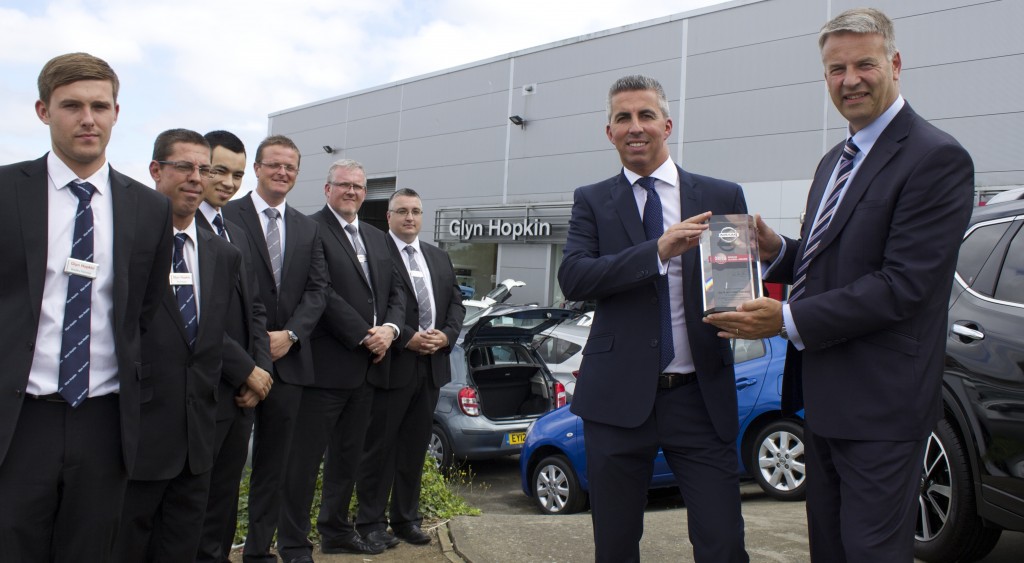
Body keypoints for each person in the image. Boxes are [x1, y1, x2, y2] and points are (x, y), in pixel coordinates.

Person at [705, 8, 974, 561]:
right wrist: (777, 252)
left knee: (871, 551)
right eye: (835, 69)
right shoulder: (835, 161)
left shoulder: (935, 158)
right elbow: (831, 267)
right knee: (830, 549)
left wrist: (784, 320)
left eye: (863, 64)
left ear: (895, 65)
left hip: (882, 407)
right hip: (822, 399)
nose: (849, 79)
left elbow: (903, 286)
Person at [558, 75, 748, 563]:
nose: (634, 127)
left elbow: (735, 292)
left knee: (723, 543)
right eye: (623, 118)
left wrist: (747, 308)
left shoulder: (721, 195)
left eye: (645, 116)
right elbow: (575, 278)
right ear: (610, 132)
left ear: (667, 124)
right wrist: (657, 251)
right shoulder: (592, 200)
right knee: (616, 547)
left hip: (699, 400)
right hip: (616, 403)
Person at [0, 52, 173, 562]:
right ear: (42, 111)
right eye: (71, 105)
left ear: (117, 113)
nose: (88, 118)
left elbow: (142, 310)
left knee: (91, 550)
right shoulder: (5, 191)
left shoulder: (149, 208)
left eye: (100, 106)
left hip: (104, 420)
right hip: (18, 420)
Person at [115, 129, 243, 561]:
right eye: (183, 167)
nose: (196, 178)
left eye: (203, 169)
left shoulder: (222, 255)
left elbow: (208, 342)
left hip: (197, 443)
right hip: (136, 438)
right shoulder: (123, 241)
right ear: (156, 171)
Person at [277, 159, 406, 561]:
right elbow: (320, 292)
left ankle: (334, 531)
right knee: (303, 463)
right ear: (327, 189)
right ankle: (294, 544)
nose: (352, 192)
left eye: (359, 187)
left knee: (347, 460)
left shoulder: (377, 236)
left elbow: (397, 291)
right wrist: (364, 335)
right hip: (325, 368)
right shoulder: (309, 229)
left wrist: (391, 330)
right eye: (344, 185)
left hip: (367, 371)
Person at [223, 135, 329, 563]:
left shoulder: (308, 228)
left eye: (290, 167)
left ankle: (259, 551)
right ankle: (212, 549)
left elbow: (318, 290)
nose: (282, 172)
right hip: (239, 368)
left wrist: (292, 335)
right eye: (274, 165)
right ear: (257, 168)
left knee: (275, 467)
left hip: (289, 363)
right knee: (226, 471)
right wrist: (255, 350)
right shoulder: (227, 217)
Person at [355, 188, 465, 548]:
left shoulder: (437, 256)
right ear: (388, 217)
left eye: (416, 211)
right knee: (380, 449)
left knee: (414, 449)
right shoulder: (376, 253)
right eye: (401, 211)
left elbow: (456, 306)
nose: (409, 218)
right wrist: (405, 337)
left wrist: (445, 337)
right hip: (391, 366)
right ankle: (370, 523)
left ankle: (406, 519)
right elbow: (374, 306)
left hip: (432, 366)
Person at [194, 130, 274, 563]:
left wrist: (261, 372)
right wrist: (246, 369)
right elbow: (194, 314)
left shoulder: (238, 232)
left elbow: (256, 309)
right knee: (194, 499)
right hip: (204, 389)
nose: (228, 182)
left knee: (224, 498)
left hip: (242, 394)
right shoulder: (182, 225)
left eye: (237, 174)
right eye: (219, 170)